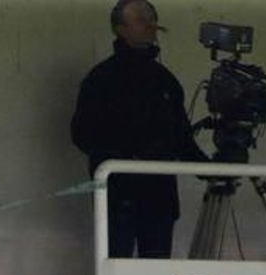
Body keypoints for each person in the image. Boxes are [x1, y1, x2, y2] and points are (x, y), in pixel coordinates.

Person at [70, 0, 203, 258]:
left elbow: (182, 137)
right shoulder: (101, 79)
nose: (151, 24)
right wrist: (128, 154)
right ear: (121, 29)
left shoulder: (165, 80)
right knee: (116, 272)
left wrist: (209, 169)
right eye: (142, 19)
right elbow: (82, 134)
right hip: (120, 197)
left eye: (152, 18)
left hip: (160, 198)